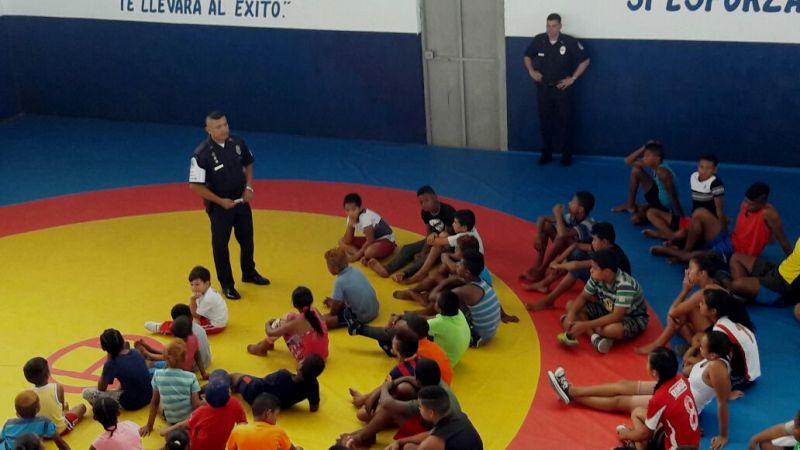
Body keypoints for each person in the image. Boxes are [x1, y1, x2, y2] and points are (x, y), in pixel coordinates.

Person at [548, 332, 735, 450]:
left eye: (702, 346)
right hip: (677, 391)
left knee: (620, 401)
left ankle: (571, 393)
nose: (699, 346)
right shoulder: (710, 362)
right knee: (623, 385)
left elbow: (722, 401)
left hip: (675, 400)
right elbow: (696, 376)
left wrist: (724, 435)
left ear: (712, 354)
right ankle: (573, 390)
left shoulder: (716, 369)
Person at [188, 111, 269, 300]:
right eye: (218, 126)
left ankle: (249, 272)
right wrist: (220, 201)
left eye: (225, 124)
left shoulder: (237, 143)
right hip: (219, 208)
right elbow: (194, 186)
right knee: (220, 245)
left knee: (247, 238)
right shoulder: (201, 154)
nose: (224, 129)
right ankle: (227, 284)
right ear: (208, 130)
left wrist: (249, 186)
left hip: (241, 201)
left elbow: (249, 163)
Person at [343, 359, 460, 449]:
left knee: (387, 410)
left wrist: (385, 387)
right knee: (404, 388)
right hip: (443, 428)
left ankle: (362, 438)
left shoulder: (425, 401)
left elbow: (387, 404)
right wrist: (379, 392)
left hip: (434, 435)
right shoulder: (436, 381)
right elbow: (409, 379)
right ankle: (368, 431)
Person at [523, 12, 590, 166]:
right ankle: (546, 154)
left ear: (560, 26)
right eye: (548, 26)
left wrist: (572, 78)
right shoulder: (539, 40)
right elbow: (527, 56)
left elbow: (585, 60)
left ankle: (566, 156)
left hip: (562, 89)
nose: (550, 29)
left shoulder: (569, 41)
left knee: (566, 123)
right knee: (545, 123)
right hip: (544, 89)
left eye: (554, 26)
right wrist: (531, 71)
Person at [558, 249, 649, 353]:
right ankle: (594, 338)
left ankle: (585, 326)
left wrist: (585, 325)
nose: (591, 270)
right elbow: (583, 296)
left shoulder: (624, 285)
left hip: (630, 317)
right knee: (571, 306)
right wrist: (571, 315)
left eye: (594, 268)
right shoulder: (596, 276)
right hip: (607, 308)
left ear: (607, 272)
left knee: (609, 330)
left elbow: (617, 315)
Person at [526, 221, 631, 311]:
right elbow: (576, 245)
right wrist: (560, 259)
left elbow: (576, 265)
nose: (592, 242)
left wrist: (557, 265)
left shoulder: (609, 255)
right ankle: (544, 285)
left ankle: (548, 300)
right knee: (577, 258)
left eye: (594, 240)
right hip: (606, 284)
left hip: (613, 294)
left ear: (604, 242)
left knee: (577, 269)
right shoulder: (606, 246)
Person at [634, 253, 724, 354]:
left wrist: (685, 291)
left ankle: (658, 345)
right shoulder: (714, 285)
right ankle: (693, 344)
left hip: (719, 338)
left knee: (680, 316)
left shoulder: (704, 292)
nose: (687, 271)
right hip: (716, 330)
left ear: (702, 273)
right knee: (680, 323)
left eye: (690, 269)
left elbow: (673, 312)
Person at [616, 348, 700, 450]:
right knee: (637, 412)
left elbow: (644, 434)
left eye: (648, 362)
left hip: (676, 447)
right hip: (693, 444)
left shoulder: (659, 399)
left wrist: (625, 434)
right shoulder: (682, 379)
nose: (646, 364)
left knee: (638, 426)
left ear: (654, 372)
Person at [367, 186, 456, 283]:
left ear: (435, 197)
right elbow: (429, 233)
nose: (424, 205)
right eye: (421, 202)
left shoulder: (448, 211)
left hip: (448, 244)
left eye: (427, 200)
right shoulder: (425, 213)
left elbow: (446, 236)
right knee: (407, 249)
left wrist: (426, 252)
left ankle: (406, 274)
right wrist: (423, 251)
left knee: (428, 257)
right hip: (433, 239)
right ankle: (387, 269)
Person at [351, 313, 453, 385]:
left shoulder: (416, 353)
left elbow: (391, 382)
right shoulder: (429, 345)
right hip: (442, 385)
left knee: (399, 388)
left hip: (434, 389)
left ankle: (359, 328)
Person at [644, 153, 727, 241]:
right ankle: (671, 236)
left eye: (708, 168)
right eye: (701, 167)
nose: (703, 171)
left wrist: (724, 233)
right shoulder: (694, 177)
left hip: (703, 226)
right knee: (651, 212)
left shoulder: (716, 184)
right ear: (698, 166)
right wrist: (682, 217)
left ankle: (667, 236)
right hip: (691, 221)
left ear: (715, 170)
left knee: (683, 233)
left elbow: (719, 210)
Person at [159, 372, 247, 450]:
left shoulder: (201, 412)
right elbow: (243, 424)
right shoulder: (235, 404)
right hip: (219, 447)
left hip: (196, 447)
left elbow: (183, 425)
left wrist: (166, 431)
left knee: (176, 437)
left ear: (206, 398)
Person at [522, 192, 596, 284]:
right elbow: (542, 219)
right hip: (570, 249)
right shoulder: (571, 217)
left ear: (580, 209)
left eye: (573, 202)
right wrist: (538, 236)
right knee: (546, 225)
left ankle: (542, 269)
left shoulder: (589, 224)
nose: (569, 203)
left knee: (561, 237)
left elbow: (562, 234)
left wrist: (558, 214)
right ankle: (538, 264)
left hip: (582, 257)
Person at [699, 289, 761, 390]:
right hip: (751, 372)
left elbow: (714, 357)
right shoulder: (729, 319)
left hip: (744, 378)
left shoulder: (719, 330)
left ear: (713, 311)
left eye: (702, 303)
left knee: (698, 373)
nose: (699, 304)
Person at [247, 286, 329, 361]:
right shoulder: (314, 310)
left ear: (294, 304)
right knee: (290, 316)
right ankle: (268, 343)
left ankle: (262, 348)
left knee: (279, 323)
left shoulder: (297, 323)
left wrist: (267, 323)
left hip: (307, 360)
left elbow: (271, 332)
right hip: (323, 355)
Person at [612, 141, 684, 226]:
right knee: (636, 170)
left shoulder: (663, 172)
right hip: (657, 195)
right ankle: (630, 206)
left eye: (647, 156)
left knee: (635, 219)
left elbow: (673, 196)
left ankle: (651, 210)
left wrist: (681, 218)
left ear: (657, 158)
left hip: (664, 206)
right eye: (644, 155)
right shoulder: (655, 164)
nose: (644, 158)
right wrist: (645, 147)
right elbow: (627, 161)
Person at [140, 339, 202, 436]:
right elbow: (196, 405)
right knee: (200, 398)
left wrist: (149, 425)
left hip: (171, 419)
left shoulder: (158, 375)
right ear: (184, 359)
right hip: (187, 419)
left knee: (159, 400)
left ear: (165, 358)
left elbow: (154, 402)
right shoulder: (191, 377)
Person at [393, 385, 483, 450]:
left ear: (431, 413)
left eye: (420, 407)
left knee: (409, 447)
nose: (419, 409)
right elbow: (430, 433)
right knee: (408, 446)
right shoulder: (459, 416)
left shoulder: (433, 442)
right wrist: (399, 442)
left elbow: (429, 441)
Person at [82, 329, 152, 411]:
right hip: (148, 396)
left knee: (86, 392)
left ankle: (106, 407)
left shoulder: (112, 364)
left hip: (132, 404)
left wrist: (108, 358)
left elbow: (101, 388)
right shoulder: (136, 352)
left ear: (104, 348)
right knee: (126, 378)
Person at [145, 266, 227, 335]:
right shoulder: (204, 291)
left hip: (215, 325)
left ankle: (161, 328)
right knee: (180, 310)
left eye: (197, 284)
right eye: (192, 284)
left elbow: (196, 315)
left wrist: (192, 299)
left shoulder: (209, 298)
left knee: (186, 329)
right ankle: (178, 322)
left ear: (207, 283)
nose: (194, 288)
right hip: (206, 315)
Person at [231, 354, 326, 412]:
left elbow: (264, 381)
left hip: (255, 394)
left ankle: (231, 386)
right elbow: (314, 407)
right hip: (275, 406)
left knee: (237, 376)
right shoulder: (313, 386)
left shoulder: (283, 375)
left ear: (300, 367)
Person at [22, 357, 86, 435]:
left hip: (39, 433)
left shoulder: (28, 394)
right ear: (48, 373)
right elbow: (62, 410)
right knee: (81, 407)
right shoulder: (57, 387)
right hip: (59, 430)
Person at [730, 236, 800, 306]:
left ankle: (743, 292)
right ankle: (744, 293)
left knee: (736, 285)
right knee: (736, 258)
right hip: (779, 269)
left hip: (783, 286)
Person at [728, 182, 793, 258]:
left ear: (762, 204)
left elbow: (782, 239)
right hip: (730, 244)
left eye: (750, 204)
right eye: (745, 201)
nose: (746, 205)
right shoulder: (744, 206)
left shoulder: (769, 214)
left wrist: (793, 260)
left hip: (742, 255)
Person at [452, 249, 502, 347]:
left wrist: (445, 282)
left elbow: (438, 297)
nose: (457, 264)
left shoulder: (465, 290)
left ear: (467, 273)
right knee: (456, 303)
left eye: (460, 263)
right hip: (490, 333)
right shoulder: (483, 283)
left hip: (477, 337)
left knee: (445, 304)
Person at [322, 247, 380, 330]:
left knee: (323, 322)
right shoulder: (356, 270)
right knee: (339, 302)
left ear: (335, 269)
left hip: (363, 316)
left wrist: (331, 314)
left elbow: (335, 309)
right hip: (375, 309)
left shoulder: (339, 281)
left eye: (328, 266)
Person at [144, 303, 212, 371]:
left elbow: (172, 359)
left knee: (150, 364)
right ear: (191, 317)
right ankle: (150, 352)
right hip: (206, 361)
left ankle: (150, 355)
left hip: (191, 368)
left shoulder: (182, 338)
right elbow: (195, 354)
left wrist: (149, 355)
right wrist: (151, 350)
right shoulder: (196, 331)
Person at [137, 316, 209, 379]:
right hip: (183, 371)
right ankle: (149, 353)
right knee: (153, 363)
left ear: (174, 335)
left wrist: (149, 354)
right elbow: (197, 355)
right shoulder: (193, 338)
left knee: (146, 369)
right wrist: (203, 373)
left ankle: (148, 355)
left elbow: (166, 359)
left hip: (174, 374)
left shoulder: (177, 346)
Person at [225, 393, 303, 450]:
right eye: (276, 415)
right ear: (268, 414)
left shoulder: (238, 430)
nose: (276, 419)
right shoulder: (278, 432)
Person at [0, 391, 70, 450]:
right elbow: (61, 443)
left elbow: (1, 438)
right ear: (38, 409)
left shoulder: (9, 424)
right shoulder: (44, 422)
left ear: (17, 413)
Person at [340, 192, 397, 263]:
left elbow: (370, 240)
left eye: (354, 209)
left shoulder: (365, 217)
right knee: (341, 241)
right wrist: (350, 225)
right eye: (347, 210)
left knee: (369, 252)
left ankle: (363, 255)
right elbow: (348, 240)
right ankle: (363, 257)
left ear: (360, 208)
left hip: (387, 241)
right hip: (374, 240)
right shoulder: (350, 218)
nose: (351, 213)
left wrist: (355, 257)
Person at [426, 291, 471, 367]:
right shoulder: (458, 312)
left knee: (413, 335)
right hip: (454, 358)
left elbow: (418, 326)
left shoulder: (440, 323)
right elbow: (434, 319)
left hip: (444, 364)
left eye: (436, 301)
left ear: (439, 309)